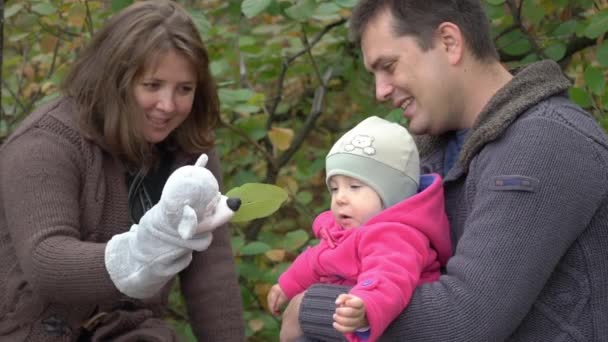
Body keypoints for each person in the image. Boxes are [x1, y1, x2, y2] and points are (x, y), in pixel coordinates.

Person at [280, 0, 608, 341]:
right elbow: (368, 263)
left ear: (449, 42)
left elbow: (465, 319)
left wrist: (310, 311)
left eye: (389, 66)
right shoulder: (423, 161)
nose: (380, 91)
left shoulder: (547, 142)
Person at [0, 1, 244, 341]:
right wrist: (140, 253)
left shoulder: (191, 150)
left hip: (130, 332)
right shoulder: (45, 143)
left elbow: (211, 273)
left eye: (184, 89)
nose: (168, 106)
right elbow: (46, 261)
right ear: (116, 80)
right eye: (152, 85)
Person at [267, 116, 452, 342]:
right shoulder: (342, 232)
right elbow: (315, 260)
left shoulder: (397, 236)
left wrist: (365, 306)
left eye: (354, 187)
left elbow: (389, 276)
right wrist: (287, 285)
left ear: (393, 195)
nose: (340, 198)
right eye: (334, 189)